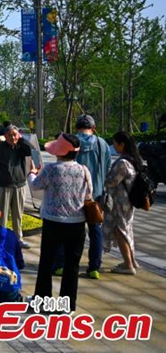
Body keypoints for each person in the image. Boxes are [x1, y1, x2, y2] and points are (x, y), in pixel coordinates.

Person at [29, 133, 92, 313]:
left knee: (47, 262)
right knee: (72, 265)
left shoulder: (51, 169)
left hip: (53, 221)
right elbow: (89, 194)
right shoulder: (83, 170)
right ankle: (68, 305)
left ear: (60, 151)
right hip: (77, 222)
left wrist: (32, 174)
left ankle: (41, 300)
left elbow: (35, 187)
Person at [51, 114, 111, 279]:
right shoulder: (102, 144)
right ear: (94, 128)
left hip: (71, 194)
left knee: (66, 231)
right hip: (95, 195)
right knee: (95, 231)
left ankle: (62, 265)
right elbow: (107, 169)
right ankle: (94, 268)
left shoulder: (69, 142)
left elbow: (61, 164)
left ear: (76, 127)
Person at [0, 125, 32, 248]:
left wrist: (20, 139)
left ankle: (18, 239)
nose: (12, 137)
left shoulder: (21, 147)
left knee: (18, 215)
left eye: (15, 134)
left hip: (20, 185)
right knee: (2, 216)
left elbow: (30, 150)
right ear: (5, 136)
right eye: (10, 135)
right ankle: (0, 240)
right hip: (4, 186)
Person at [103, 131, 143, 275]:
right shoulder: (133, 159)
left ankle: (128, 265)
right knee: (126, 230)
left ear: (122, 144)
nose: (114, 146)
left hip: (120, 202)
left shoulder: (123, 163)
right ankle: (131, 261)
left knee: (120, 231)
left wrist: (105, 177)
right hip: (127, 202)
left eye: (115, 143)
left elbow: (111, 181)